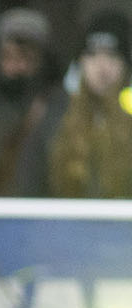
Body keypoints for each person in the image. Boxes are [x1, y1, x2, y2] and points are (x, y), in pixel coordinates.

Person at [48, 10, 132, 200]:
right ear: (80, 63)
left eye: (112, 56)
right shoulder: (56, 117)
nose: (102, 67)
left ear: (126, 65)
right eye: (93, 55)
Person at [0, 7, 66, 197]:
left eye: (27, 57)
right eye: (9, 56)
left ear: (43, 60)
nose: (18, 66)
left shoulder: (60, 107)